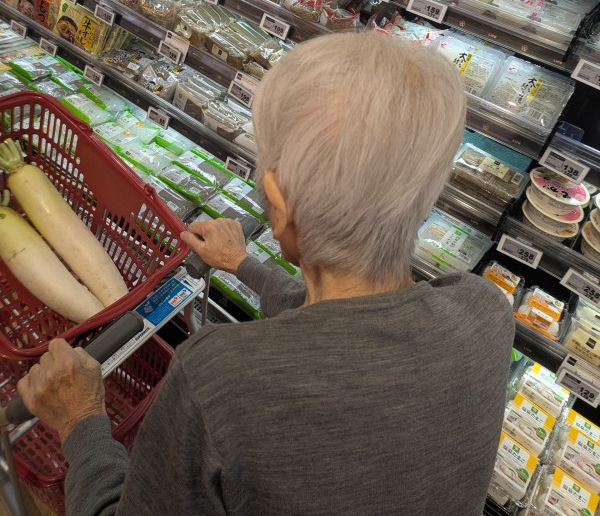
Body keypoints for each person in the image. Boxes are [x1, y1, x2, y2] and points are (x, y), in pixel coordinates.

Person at [18, 32, 515, 516]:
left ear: (278, 206)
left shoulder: (220, 378)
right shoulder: (484, 312)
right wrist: (244, 265)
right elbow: (348, 324)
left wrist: (81, 421)